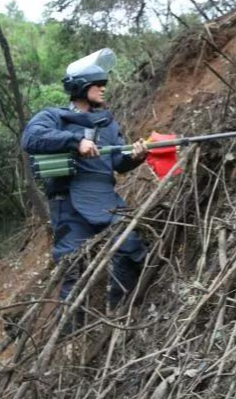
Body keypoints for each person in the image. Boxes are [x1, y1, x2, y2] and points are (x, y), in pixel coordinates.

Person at [21, 49, 149, 330]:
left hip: (105, 199)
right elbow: (31, 138)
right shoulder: (54, 116)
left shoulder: (108, 124)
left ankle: (119, 319)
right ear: (80, 87)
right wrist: (74, 142)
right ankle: (70, 336)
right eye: (97, 84)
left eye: (104, 84)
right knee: (72, 268)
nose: (103, 89)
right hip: (68, 204)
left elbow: (118, 162)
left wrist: (136, 156)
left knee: (130, 247)